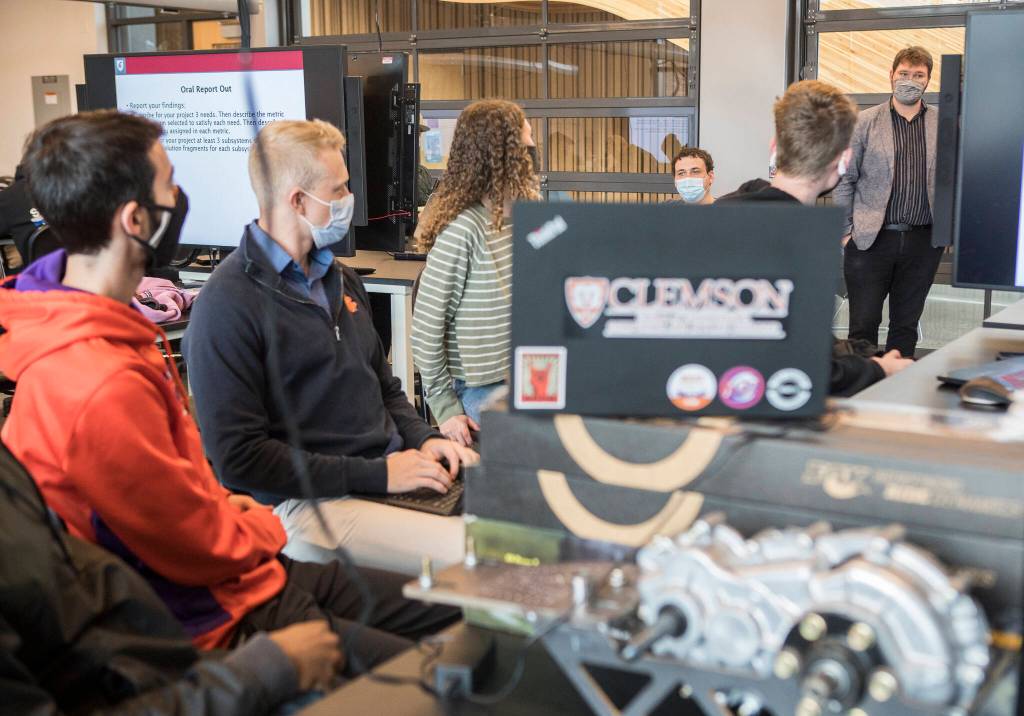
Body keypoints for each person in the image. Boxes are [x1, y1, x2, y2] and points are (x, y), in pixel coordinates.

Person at [0, 110, 458, 668]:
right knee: (444, 659)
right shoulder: (101, 378)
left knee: (460, 613)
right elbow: (200, 525)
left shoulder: (111, 336)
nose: (182, 196)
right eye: (171, 183)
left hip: (247, 572)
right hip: (222, 611)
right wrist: (257, 522)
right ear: (135, 219)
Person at [184, 119, 477, 577]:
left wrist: (429, 440)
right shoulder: (227, 305)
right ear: (297, 200)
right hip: (309, 506)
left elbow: (386, 391)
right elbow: (238, 460)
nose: (348, 201)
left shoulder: (342, 279)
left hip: (387, 477)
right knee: (486, 558)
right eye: (338, 191)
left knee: (522, 520)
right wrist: (380, 475)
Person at [0, 440, 340, 715]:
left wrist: (219, 506)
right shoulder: (101, 390)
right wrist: (261, 671)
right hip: (213, 626)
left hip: (154, 662)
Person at [718, 80, 913, 396]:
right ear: (844, 161)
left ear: (774, 147)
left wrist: (866, 355)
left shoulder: (724, 210)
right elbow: (806, 371)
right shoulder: (800, 244)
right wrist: (881, 369)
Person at [411, 100, 539, 445]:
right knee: (537, 447)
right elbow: (425, 330)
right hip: (479, 386)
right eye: (526, 138)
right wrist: (445, 408)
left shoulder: (527, 218)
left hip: (526, 374)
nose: (533, 145)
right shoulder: (463, 228)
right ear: (503, 153)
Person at [833, 46, 942, 359]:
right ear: (891, 75)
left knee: (906, 325)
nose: (910, 80)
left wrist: (946, 232)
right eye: (904, 74)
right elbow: (845, 179)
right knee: (863, 324)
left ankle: (897, 392)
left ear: (928, 81)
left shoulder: (943, 125)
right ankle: (860, 390)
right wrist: (846, 233)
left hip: (924, 240)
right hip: (870, 240)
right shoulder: (864, 122)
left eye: (918, 75)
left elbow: (953, 180)